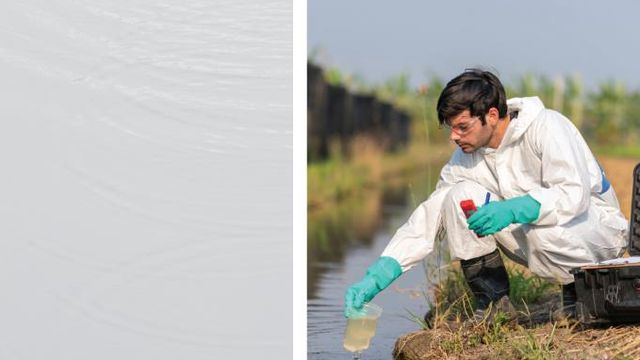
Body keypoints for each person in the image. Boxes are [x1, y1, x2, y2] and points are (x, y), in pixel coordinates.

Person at [344, 69, 628, 321]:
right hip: (539, 234)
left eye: (462, 127)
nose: (454, 137)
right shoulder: (465, 159)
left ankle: (577, 295)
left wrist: (515, 209)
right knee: (456, 197)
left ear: (491, 115)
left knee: (542, 230)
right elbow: (428, 219)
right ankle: (493, 302)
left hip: (596, 232)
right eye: (450, 128)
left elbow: (572, 195)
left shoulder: (547, 127)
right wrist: (377, 277)